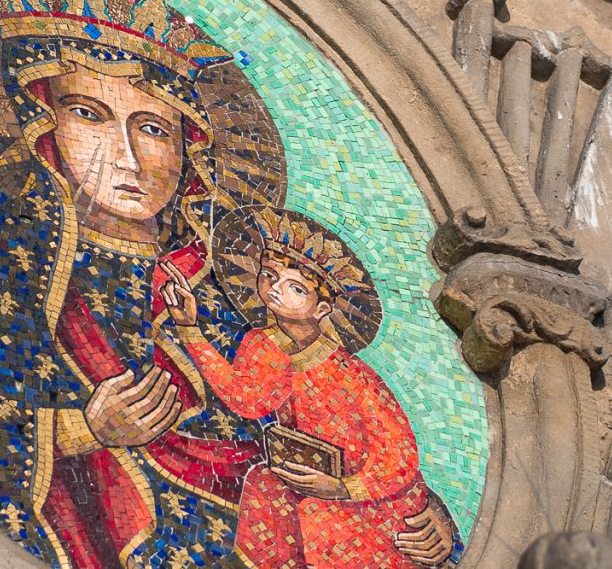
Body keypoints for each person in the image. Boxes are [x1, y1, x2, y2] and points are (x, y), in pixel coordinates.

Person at [0, 0, 455, 568]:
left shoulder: (224, 293)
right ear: (41, 125)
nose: (126, 156)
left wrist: (418, 513)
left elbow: (323, 426)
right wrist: (82, 430)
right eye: (88, 114)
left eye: (154, 128)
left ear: (191, 151)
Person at [160, 207, 442, 567]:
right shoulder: (264, 344)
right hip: (305, 477)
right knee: (264, 484)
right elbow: (248, 399)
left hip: (373, 496)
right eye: (269, 275)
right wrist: (190, 329)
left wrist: (344, 488)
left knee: (321, 519)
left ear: (322, 308)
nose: (275, 290)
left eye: (295, 287)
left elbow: (398, 456)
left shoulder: (352, 376)